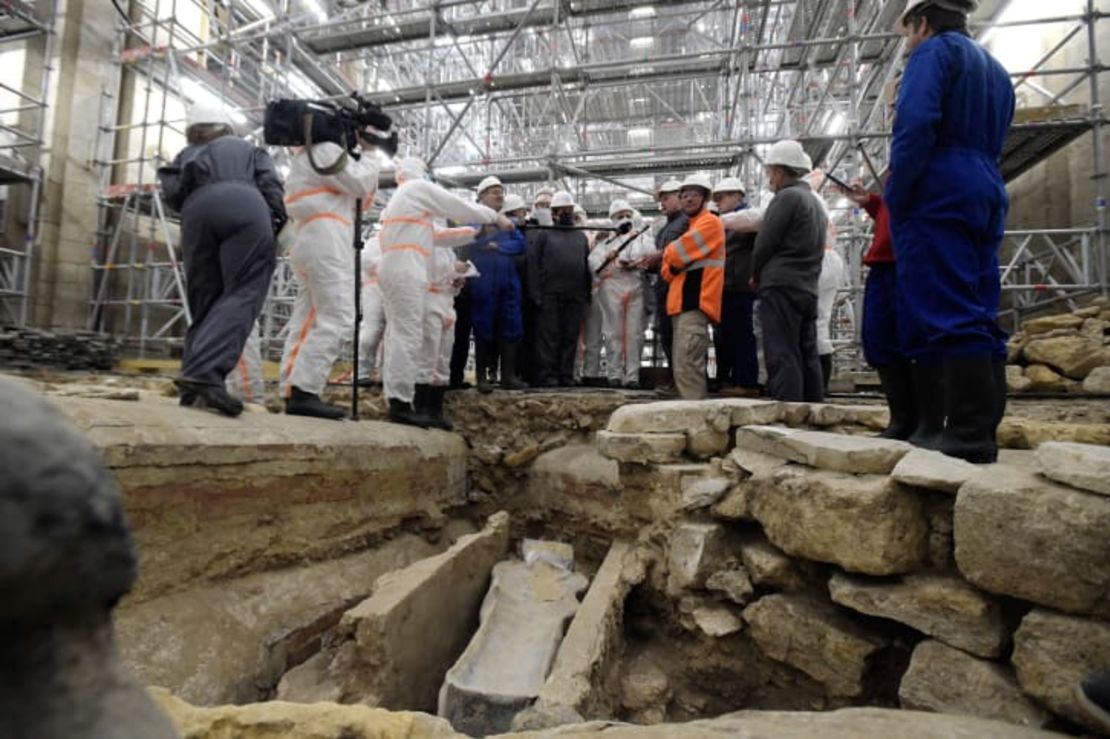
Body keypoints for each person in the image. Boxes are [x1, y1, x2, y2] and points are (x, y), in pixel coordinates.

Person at [888, 0, 1014, 463]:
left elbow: (916, 124)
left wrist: (898, 194)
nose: (907, 41)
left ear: (922, 21)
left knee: (947, 306)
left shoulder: (934, 53)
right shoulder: (995, 69)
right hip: (984, 183)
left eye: (907, 32)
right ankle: (982, 428)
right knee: (980, 305)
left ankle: (965, 434)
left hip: (939, 184)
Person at [158, 104, 285, 417]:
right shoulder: (248, 149)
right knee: (243, 291)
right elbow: (270, 184)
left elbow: (172, 194)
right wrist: (277, 222)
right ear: (226, 127)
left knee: (205, 300)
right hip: (243, 203)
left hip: (195, 212)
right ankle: (206, 375)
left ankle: (192, 387)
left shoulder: (185, 155)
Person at [378, 157, 511, 426]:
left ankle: (415, 405)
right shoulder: (415, 189)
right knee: (408, 337)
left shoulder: (408, 208)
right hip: (406, 267)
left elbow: (441, 236)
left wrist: (476, 234)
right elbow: (457, 207)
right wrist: (494, 216)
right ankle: (400, 403)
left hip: (407, 268)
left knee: (416, 340)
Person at [279, 136, 379, 419]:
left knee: (307, 317)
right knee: (338, 315)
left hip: (308, 237)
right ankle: (305, 390)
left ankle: (292, 387)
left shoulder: (304, 157)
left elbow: (361, 198)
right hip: (327, 238)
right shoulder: (325, 151)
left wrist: (361, 161)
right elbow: (360, 184)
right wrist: (371, 154)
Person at [840, 181, 934, 440]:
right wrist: (872, 202)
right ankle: (903, 420)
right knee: (880, 340)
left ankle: (928, 422)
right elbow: (893, 207)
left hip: (911, 258)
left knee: (916, 341)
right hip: (885, 262)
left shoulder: (925, 150)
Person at [751, 140, 826, 403]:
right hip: (807, 286)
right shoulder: (814, 202)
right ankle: (814, 410)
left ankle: (789, 414)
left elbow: (765, 243)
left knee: (781, 349)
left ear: (781, 172)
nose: (769, 177)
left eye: (770, 171)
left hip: (781, 284)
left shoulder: (786, 198)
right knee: (807, 351)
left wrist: (755, 273)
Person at [659, 174, 725, 400]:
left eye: (694, 194)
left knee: (689, 368)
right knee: (683, 368)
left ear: (705, 198)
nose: (688, 199)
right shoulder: (692, 226)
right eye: (684, 195)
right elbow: (667, 271)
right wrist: (671, 261)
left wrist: (669, 255)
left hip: (695, 303)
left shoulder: (710, 223)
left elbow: (674, 254)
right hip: (682, 305)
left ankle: (697, 422)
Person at [467, 176, 528, 393]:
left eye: (501, 191)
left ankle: (508, 376)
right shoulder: (474, 219)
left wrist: (497, 246)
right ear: (482, 196)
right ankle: (482, 376)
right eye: (494, 191)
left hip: (508, 279)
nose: (499, 194)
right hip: (484, 279)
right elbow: (473, 241)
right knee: (484, 323)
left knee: (511, 324)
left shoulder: (506, 222)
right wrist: (489, 238)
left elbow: (520, 244)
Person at [529, 190, 592, 387]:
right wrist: (536, 293)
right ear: (554, 214)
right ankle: (548, 375)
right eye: (562, 210)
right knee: (550, 337)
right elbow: (534, 265)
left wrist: (586, 293)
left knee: (570, 337)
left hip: (574, 295)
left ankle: (566, 374)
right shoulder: (544, 235)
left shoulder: (580, 237)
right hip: (550, 294)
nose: (566, 213)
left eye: (569, 210)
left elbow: (585, 266)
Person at [416, 231, 475, 430]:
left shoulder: (448, 250)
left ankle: (436, 410)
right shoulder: (424, 244)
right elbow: (427, 271)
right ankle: (421, 408)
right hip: (429, 299)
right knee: (428, 354)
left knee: (443, 356)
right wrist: (452, 270)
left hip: (447, 302)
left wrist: (457, 281)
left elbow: (447, 276)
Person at [592, 199, 653, 388]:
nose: (625, 219)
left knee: (635, 333)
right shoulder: (605, 241)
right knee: (613, 333)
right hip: (612, 287)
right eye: (620, 216)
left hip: (635, 284)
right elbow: (592, 264)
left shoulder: (642, 237)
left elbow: (651, 256)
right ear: (612, 219)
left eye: (628, 215)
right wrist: (606, 257)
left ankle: (633, 376)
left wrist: (639, 262)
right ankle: (615, 375)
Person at [636, 179, 688, 393]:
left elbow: (683, 252)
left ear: (679, 196)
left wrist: (659, 256)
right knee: (667, 335)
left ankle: (682, 381)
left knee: (680, 336)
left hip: (680, 286)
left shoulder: (686, 223)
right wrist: (649, 264)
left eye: (667, 198)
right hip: (665, 287)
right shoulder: (666, 227)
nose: (663, 203)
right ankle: (673, 378)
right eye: (661, 199)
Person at [711, 177, 759, 395]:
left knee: (740, 334)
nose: (718, 202)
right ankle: (727, 379)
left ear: (736, 196)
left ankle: (745, 382)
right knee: (724, 336)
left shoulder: (747, 220)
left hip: (739, 286)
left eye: (721, 197)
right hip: (725, 287)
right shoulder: (724, 221)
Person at [356, 234, 386, 387]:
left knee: (392, 336)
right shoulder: (375, 242)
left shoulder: (407, 241)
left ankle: (384, 375)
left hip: (396, 290)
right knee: (371, 332)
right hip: (374, 289)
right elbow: (366, 261)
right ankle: (361, 373)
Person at [816, 243, 847, 390]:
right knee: (821, 321)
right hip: (829, 257)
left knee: (815, 323)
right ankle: (821, 384)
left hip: (818, 258)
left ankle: (818, 383)